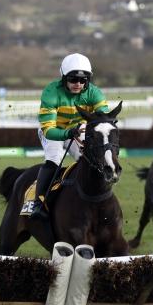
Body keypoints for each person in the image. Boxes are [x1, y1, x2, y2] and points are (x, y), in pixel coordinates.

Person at [30, 53, 109, 221]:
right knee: (54, 160)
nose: (78, 84)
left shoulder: (94, 93)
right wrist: (67, 133)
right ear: (64, 78)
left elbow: (103, 119)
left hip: (77, 130)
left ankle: (96, 199)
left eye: (83, 80)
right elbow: (49, 131)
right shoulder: (51, 92)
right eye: (73, 79)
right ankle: (39, 202)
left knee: (90, 161)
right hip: (54, 130)